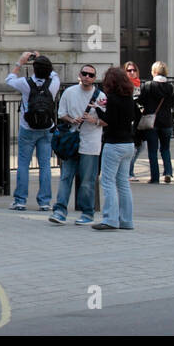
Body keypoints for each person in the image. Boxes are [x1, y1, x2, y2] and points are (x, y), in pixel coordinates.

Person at [50, 63, 103, 225]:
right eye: (84, 73)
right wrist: (72, 119)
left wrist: (94, 120)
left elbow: (107, 121)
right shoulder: (69, 92)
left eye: (91, 75)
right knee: (66, 177)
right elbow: (61, 114)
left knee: (87, 180)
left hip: (91, 142)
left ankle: (87, 213)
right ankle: (59, 211)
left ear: (94, 79)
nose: (87, 77)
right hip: (71, 141)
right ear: (79, 75)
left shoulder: (101, 97)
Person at [6, 51, 59, 212]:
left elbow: (9, 80)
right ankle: (44, 202)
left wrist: (20, 63)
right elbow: (53, 72)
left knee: (23, 163)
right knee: (45, 165)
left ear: (34, 69)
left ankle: (20, 200)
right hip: (47, 128)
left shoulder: (25, 83)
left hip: (27, 128)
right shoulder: (54, 83)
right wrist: (40, 57)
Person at [93, 66, 138, 231]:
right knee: (123, 183)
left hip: (114, 144)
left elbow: (108, 120)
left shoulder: (112, 98)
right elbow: (134, 117)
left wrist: (98, 108)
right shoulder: (129, 99)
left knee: (108, 181)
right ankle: (126, 221)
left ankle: (110, 219)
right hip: (128, 144)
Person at [140, 61, 174, 183]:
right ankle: (168, 172)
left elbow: (142, 101)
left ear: (154, 72)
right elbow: (172, 103)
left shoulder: (148, 86)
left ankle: (155, 177)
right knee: (165, 149)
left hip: (152, 121)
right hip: (166, 121)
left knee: (152, 151)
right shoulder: (171, 88)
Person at [124, 61, 143, 179]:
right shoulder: (125, 86)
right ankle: (128, 172)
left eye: (134, 70)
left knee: (141, 147)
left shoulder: (140, 84)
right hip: (130, 120)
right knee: (134, 147)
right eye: (129, 70)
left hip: (140, 119)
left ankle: (129, 171)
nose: (132, 72)